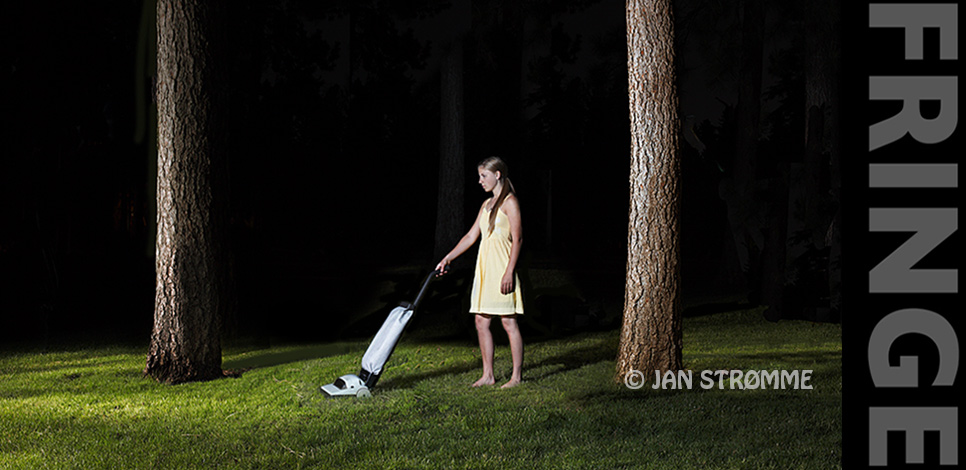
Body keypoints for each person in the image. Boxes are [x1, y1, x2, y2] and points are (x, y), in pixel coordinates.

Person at [436, 156, 524, 389]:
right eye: (479, 176)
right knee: (481, 321)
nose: (479, 180)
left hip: (503, 269)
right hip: (485, 272)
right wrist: (448, 257)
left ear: (497, 175)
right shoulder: (485, 205)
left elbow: (518, 239)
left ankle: (516, 377)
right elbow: (470, 236)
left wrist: (509, 272)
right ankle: (488, 376)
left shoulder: (510, 202)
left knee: (508, 322)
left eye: (483, 176)